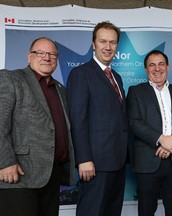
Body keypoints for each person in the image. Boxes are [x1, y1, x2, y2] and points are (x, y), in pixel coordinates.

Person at [0, 37, 75, 216]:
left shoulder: (61, 89)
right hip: (19, 175)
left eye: (52, 54)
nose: (46, 57)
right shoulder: (10, 78)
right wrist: (5, 162)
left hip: (51, 176)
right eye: (40, 53)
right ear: (29, 56)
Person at [66, 21, 128, 216]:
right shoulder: (81, 74)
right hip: (95, 164)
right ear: (93, 44)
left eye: (113, 42)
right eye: (103, 41)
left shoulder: (116, 77)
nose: (108, 47)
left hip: (118, 161)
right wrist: (83, 159)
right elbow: (77, 119)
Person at [127, 50, 172, 216]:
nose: (157, 68)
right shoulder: (136, 91)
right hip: (148, 161)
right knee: (146, 210)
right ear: (146, 69)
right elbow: (134, 122)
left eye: (161, 64)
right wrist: (161, 139)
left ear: (168, 67)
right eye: (152, 65)